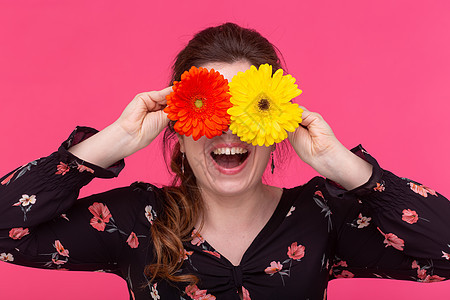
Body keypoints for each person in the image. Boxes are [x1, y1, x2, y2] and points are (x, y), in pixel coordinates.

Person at [0, 22, 449, 300]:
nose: (227, 130)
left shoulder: (322, 218)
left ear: (278, 125)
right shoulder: (136, 220)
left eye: (247, 111)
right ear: (177, 124)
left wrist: (341, 165)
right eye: (210, 111)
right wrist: (115, 140)